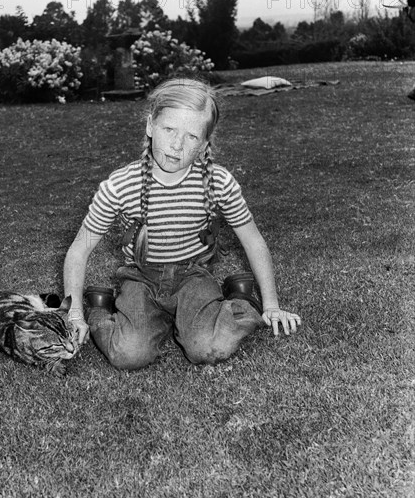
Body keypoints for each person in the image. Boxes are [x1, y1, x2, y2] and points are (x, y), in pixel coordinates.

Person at [63, 78, 301, 370]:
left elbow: (253, 241)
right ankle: (101, 308)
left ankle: (239, 298)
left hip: (193, 276)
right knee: (130, 355)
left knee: (208, 349)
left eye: (191, 137)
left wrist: (272, 306)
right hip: (140, 279)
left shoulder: (219, 183)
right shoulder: (120, 185)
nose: (176, 145)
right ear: (151, 126)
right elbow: (78, 251)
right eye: (169, 129)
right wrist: (75, 314)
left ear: (203, 145)